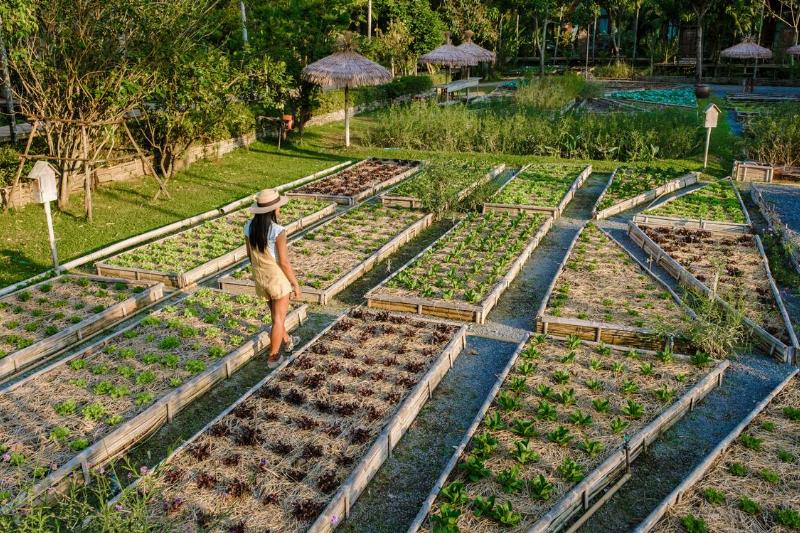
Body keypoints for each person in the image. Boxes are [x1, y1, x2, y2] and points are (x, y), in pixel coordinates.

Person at [244, 189, 302, 368]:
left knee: (276, 315)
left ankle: (287, 341)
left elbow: (249, 254)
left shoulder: (248, 226)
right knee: (278, 319)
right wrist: (295, 283)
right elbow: (284, 262)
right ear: (273, 210)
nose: (280, 210)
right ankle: (273, 358)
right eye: (278, 208)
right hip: (277, 277)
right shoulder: (278, 231)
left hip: (261, 276)